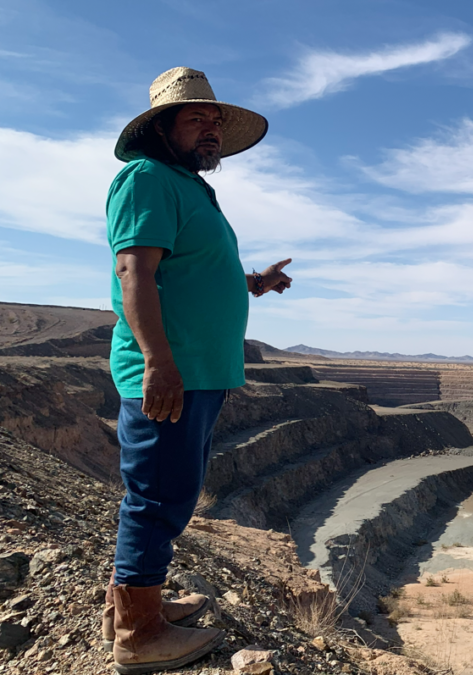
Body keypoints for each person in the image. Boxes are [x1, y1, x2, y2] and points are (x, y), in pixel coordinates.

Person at [103, 67, 293, 674]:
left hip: (202, 371)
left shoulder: (187, 186)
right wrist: (159, 362)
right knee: (158, 496)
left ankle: (130, 604)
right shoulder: (146, 178)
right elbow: (135, 272)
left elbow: (192, 275)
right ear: (163, 127)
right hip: (170, 372)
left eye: (214, 120)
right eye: (196, 118)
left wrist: (253, 284)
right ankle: (138, 633)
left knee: (170, 492)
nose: (210, 128)